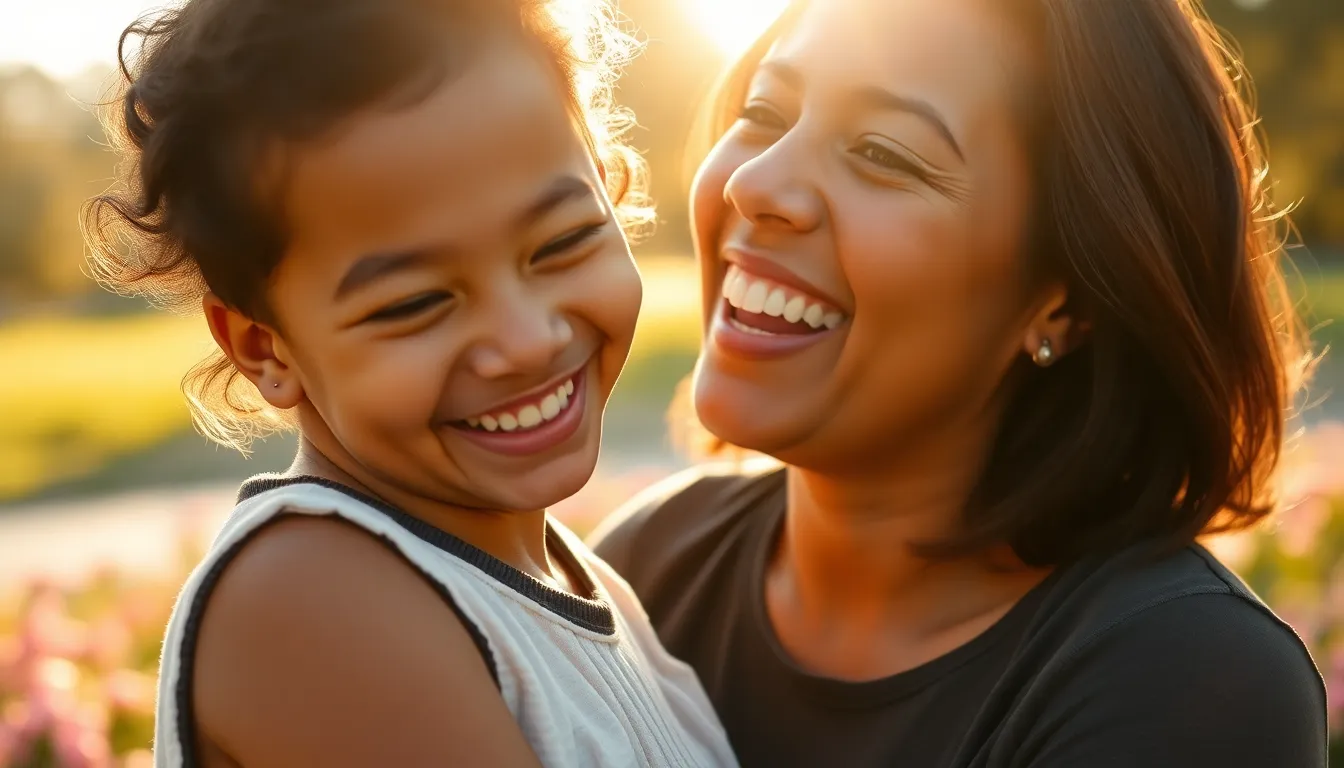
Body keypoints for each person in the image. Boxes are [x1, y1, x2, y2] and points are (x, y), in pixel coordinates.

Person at [591, 0, 1328, 765]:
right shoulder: (650, 568)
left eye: (881, 152)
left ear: (1066, 299)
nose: (755, 181)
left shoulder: (1184, 681)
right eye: (765, 112)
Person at [84, 0, 738, 765]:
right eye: (417, 303)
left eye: (562, 242)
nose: (527, 342)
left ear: (612, 187)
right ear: (264, 348)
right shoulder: (310, 598)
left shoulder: (577, 585)